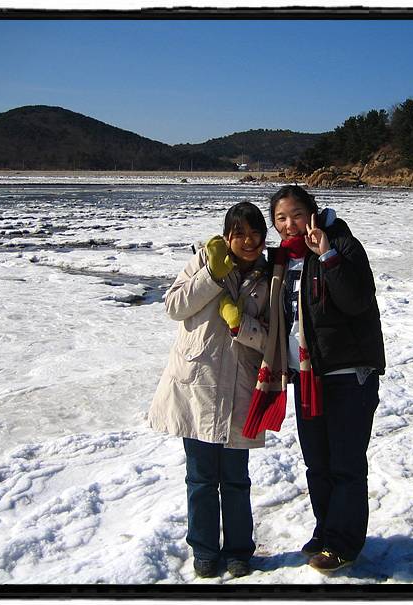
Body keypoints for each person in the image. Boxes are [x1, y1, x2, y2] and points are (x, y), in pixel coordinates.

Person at [266, 184, 385, 573]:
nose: (289, 224)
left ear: (313, 213)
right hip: (307, 376)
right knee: (317, 464)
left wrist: (328, 255)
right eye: (281, 218)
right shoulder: (283, 260)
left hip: (348, 373)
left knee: (345, 464)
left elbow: (356, 300)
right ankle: (327, 530)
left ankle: (343, 544)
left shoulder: (343, 244)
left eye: (296, 215)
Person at [148, 202, 270, 579]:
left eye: (254, 233)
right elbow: (174, 306)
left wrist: (240, 325)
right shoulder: (204, 260)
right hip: (197, 384)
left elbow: (274, 338)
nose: (247, 241)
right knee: (200, 479)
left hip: (239, 387)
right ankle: (203, 550)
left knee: (235, 479)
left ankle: (238, 551)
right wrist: (212, 277)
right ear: (227, 235)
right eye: (239, 233)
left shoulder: (271, 277)